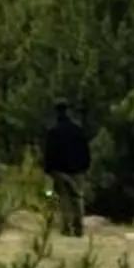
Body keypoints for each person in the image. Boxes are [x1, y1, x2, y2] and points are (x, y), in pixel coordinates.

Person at [40, 99, 93, 238]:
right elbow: (85, 149)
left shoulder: (53, 131)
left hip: (60, 170)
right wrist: (86, 166)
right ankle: (79, 227)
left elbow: (49, 152)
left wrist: (48, 169)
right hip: (78, 169)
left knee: (64, 199)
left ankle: (66, 227)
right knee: (78, 197)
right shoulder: (77, 129)